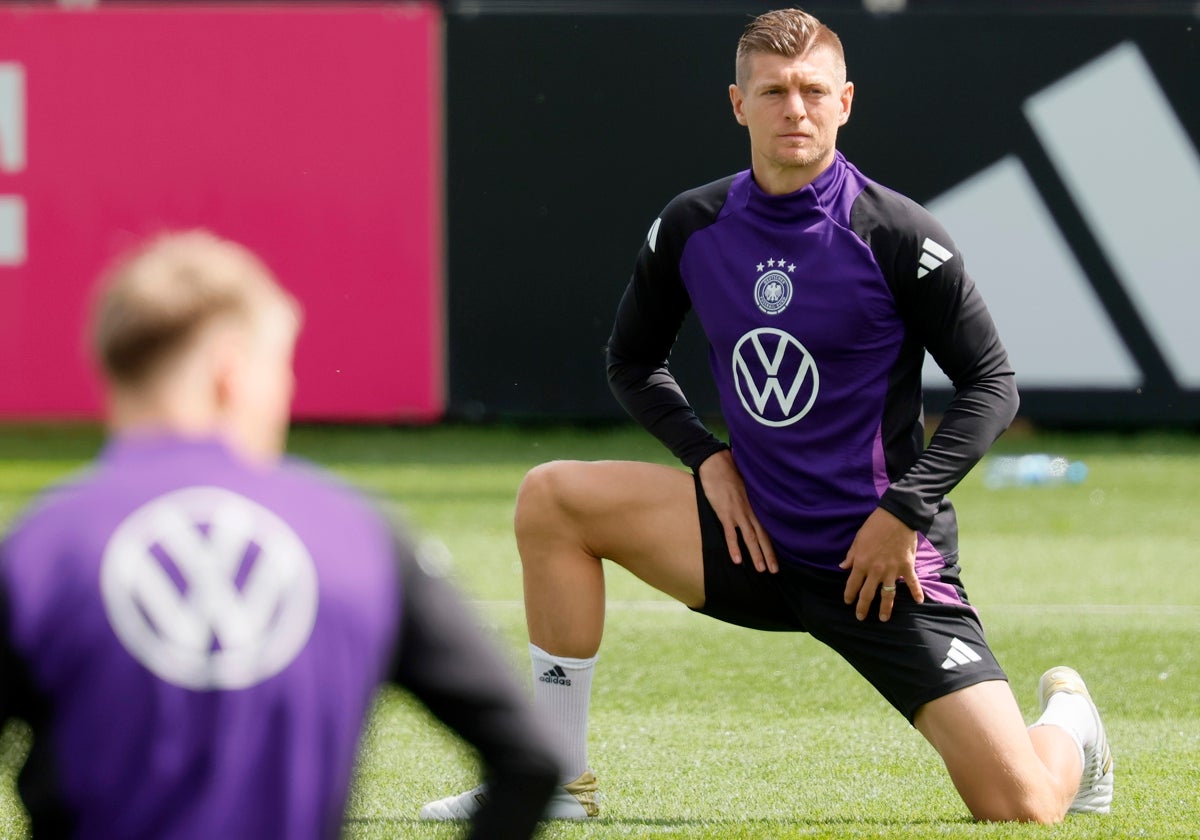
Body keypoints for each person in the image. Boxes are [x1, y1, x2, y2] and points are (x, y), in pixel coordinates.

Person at [421, 6, 1113, 825]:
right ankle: (554, 779)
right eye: (775, 91)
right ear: (738, 103)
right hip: (750, 540)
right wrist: (707, 459)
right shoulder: (693, 226)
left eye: (814, 90)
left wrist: (904, 511)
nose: (796, 108)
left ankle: (1073, 725)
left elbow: (992, 385)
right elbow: (630, 363)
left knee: (1022, 806)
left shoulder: (895, 234)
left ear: (845, 101)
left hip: (876, 565)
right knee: (554, 495)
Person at [0, 231, 562, 839]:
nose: (287, 392)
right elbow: (531, 762)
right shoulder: (359, 535)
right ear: (229, 372)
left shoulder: (40, 547)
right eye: (281, 366)